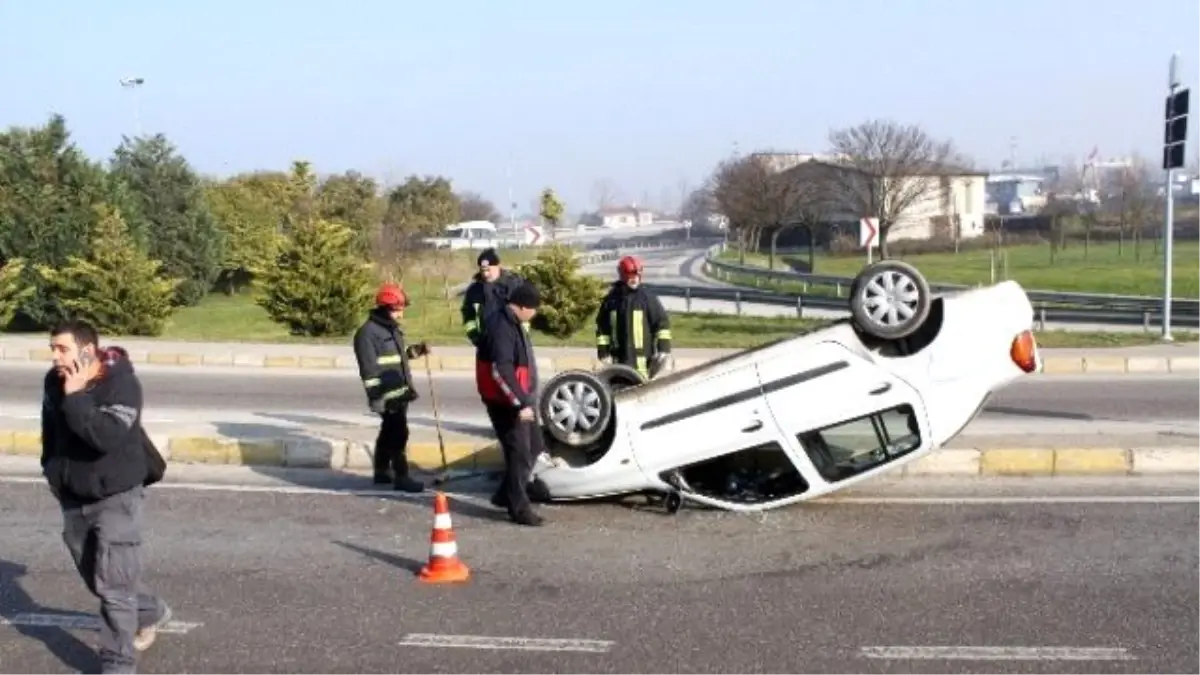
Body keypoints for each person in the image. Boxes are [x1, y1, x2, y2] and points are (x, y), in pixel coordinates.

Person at [40, 319, 173, 675]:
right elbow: (50, 433)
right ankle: (151, 610)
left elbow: (106, 437)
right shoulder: (54, 381)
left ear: (87, 351)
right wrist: (51, 472)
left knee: (114, 586)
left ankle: (118, 663)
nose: (54, 356)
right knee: (98, 580)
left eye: (62, 348)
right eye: (52, 348)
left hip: (116, 496)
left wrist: (78, 396)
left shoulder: (122, 383)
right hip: (73, 498)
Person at [475, 279, 546, 526]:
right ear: (525, 307)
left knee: (535, 445)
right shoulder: (501, 326)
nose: (535, 314)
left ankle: (505, 493)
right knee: (520, 452)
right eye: (535, 309)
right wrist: (519, 404)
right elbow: (500, 370)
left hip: (520, 398)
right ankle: (518, 506)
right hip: (505, 402)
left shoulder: (513, 321)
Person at [353, 282, 429, 493]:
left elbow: (398, 357)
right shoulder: (367, 334)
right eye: (398, 310)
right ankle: (401, 476)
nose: (401, 314)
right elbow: (369, 372)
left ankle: (381, 471)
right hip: (387, 397)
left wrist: (416, 351)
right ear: (385, 308)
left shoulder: (390, 329)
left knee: (388, 432)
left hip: (400, 392)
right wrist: (379, 399)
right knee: (398, 434)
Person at [595, 255, 674, 380]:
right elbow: (602, 330)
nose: (635, 279)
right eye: (631, 276)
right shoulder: (611, 301)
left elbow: (662, 325)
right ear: (623, 275)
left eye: (637, 276)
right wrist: (603, 353)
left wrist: (663, 349)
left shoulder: (647, 298)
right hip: (618, 361)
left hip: (642, 363)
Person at [461, 247, 524, 347]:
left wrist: (521, 336)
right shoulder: (475, 290)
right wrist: (474, 336)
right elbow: (468, 315)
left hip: (513, 345)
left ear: (498, 266)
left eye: (489, 270)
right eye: (482, 270)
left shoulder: (513, 286)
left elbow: (525, 314)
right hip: (485, 346)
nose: (485, 274)